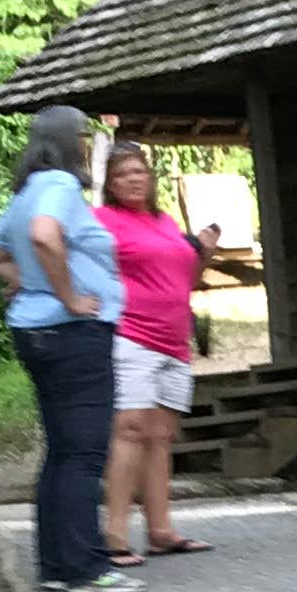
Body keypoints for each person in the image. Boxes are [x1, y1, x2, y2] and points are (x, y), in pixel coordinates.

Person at [0, 105, 130, 592]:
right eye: (84, 135)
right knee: (85, 453)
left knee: (62, 450)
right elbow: (43, 236)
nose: (88, 143)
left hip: (36, 333)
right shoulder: (61, 187)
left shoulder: (27, 191)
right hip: (73, 333)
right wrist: (66, 296)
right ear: (68, 141)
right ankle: (86, 568)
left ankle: (55, 565)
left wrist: (32, 285)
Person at [91, 142, 211, 564]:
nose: (132, 180)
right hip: (132, 333)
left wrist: (204, 250)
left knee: (162, 435)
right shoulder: (101, 221)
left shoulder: (164, 220)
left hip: (174, 339)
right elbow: (79, 263)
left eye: (138, 172)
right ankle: (114, 534)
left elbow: (188, 277)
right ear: (110, 182)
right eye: (122, 174)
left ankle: (161, 530)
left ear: (150, 177)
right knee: (130, 429)